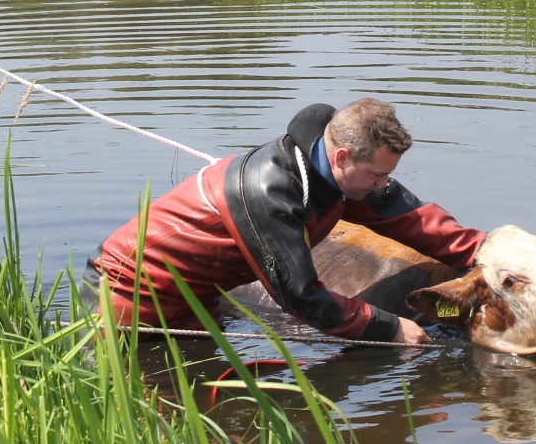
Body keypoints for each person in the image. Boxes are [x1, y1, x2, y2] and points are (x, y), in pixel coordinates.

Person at [91, 98, 485, 344]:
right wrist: (390, 326)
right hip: (132, 296)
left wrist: (493, 252)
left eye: (388, 174)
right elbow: (300, 296)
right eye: (376, 175)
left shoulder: (339, 176)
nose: (384, 185)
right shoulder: (268, 193)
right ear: (343, 156)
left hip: (201, 298)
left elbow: (412, 220)